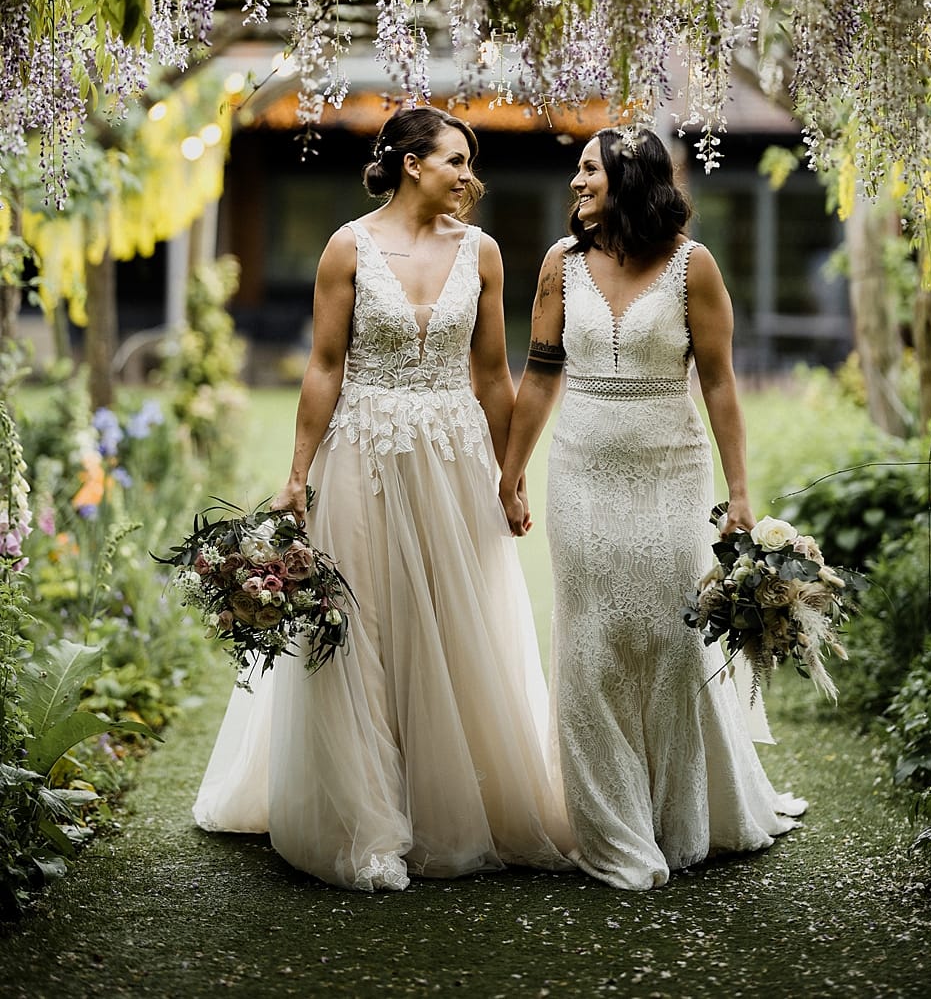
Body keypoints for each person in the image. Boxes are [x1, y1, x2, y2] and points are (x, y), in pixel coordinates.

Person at [194, 105, 571, 890]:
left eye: (469, 163)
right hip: (362, 452)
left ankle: (449, 805)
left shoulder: (483, 251)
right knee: (360, 628)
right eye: (456, 160)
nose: (468, 175)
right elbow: (325, 364)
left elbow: (492, 374)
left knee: (453, 624)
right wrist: (297, 475)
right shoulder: (349, 246)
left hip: (454, 457)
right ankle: (365, 824)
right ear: (411, 163)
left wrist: (510, 475)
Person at [498, 124, 806, 890]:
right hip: (581, 469)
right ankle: (612, 832)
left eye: (589, 170)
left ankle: (675, 818)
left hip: (671, 471)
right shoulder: (561, 264)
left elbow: (721, 384)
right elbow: (538, 374)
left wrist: (740, 492)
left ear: (629, 180)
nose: (576, 183)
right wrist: (513, 471)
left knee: (670, 640)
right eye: (577, 171)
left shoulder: (692, 266)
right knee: (590, 643)